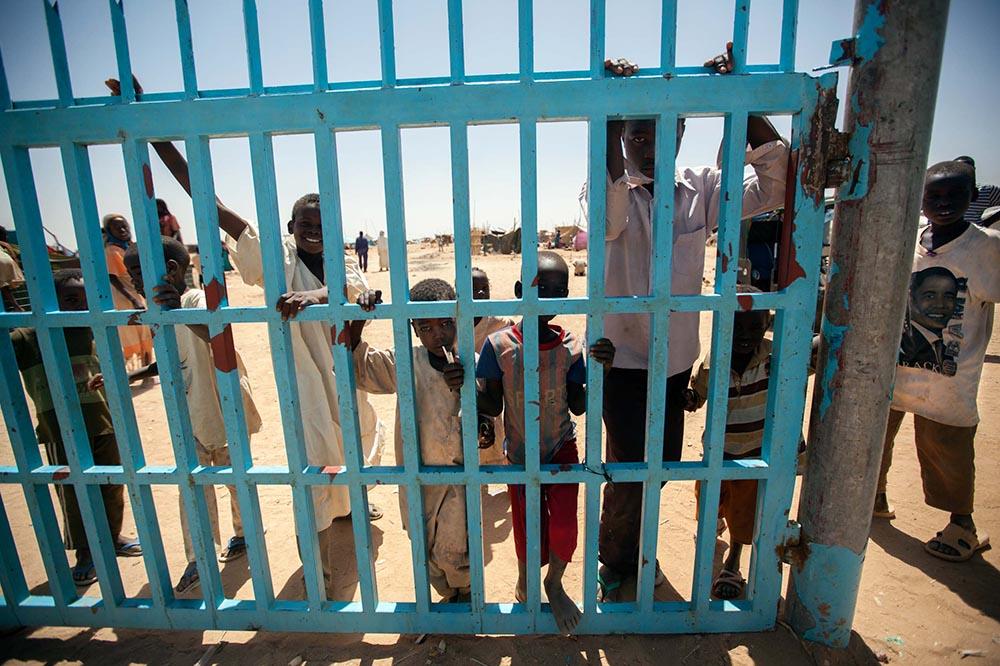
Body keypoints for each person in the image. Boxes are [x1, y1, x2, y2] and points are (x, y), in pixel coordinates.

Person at [110, 73, 387, 592]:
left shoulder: (344, 263)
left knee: (353, 454)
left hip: (345, 383)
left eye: (321, 224)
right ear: (290, 227)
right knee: (314, 474)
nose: (313, 231)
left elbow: (352, 297)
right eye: (305, 224)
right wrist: (158, 136)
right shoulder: (277, 258)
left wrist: (314, 298)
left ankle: (354, 505)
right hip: (303, 388)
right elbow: (211, 205)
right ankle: (321, 577)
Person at [596, 49, 789, 600]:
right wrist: (610, 108)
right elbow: (608, 220)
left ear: (681, 131)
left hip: (675, 359)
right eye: (636, 135)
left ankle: (638, 553)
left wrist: (739, 98)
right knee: (627, 469)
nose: (648, 146)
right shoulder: (604, 186)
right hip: (621, 361)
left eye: (660, 132)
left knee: (662, 466)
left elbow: (776, 186)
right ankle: (617, 565)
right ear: (622, 139)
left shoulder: (702, 187)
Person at [476, 251, 616, 634]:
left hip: (561, 447)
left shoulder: (571, 346)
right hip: (521, 453)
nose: (552, 297)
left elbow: (579, 405)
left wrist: (601, 372)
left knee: (566, 523)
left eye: (560, 290)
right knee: (527, 527)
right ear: (520, 290)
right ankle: (526, 576)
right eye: (543, 288)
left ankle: (553, 582)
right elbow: (491, 404)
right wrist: (467, 387)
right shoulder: (499, 345)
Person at [875, 160, 1000, 562]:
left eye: (954, 194)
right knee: (876, 439)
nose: (943, 202)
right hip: (896, 368)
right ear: (921, 197)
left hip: (949, 378)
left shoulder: (984, 248)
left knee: (947, 448)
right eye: (935, 195)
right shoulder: (909, 240)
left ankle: (962, 525)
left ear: (972, 196)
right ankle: (873, 497)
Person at [123, 237, 262, 593]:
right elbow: (170, 359)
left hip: (223, 410)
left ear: (171, 270)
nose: (134, 282)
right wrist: (130, 376)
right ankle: (199, 557)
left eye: (137, 273)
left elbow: (219, 336)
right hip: (191, 416)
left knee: (236, 481)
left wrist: (178, 313)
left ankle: (245, 534)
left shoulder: (194, 300)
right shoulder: (158, 310)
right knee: (193, 488)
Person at [341, 279, 471, 601]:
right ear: (414, 330)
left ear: (457, 320)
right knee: (423, 546)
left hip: (459, 480)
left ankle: (466, 596)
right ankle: (448, 597)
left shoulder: (473, 361)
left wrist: (468, 385)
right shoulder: (407, 363)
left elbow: (489, 412)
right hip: (416, 477)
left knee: (455, 549)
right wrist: (359, 317)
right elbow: (360, 366)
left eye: (445, 324)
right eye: (426, 328)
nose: (438, 335)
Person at [11, 269, 141, 585]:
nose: (80, 306)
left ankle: (111, 538)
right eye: (71, 300)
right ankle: (85, 552)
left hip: (104, 423)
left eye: (85, 299)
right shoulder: (30, 337)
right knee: (73, 493)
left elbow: (113, 370)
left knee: (112, 486)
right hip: (61, 430)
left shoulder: (96, 330)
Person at [682, 286, 809, 599]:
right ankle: (716, 523)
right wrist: (686, 398)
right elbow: (698, 396)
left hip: (754, 453)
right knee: (710, 500)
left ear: (767, 325)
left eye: (755, 327)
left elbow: (806, 365)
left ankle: (733, 563)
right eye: (737, 327)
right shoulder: (714, 360)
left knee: (743, 512)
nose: (745, 335)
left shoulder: (774, 358)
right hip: (718, 450)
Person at [471, 267, 515, 466]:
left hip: (490, 399)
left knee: (493, 458)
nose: (480, 293)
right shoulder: (450, 323)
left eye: (485, 288)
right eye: (473, 288)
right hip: (459, 398)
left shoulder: (500, 324)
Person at [103, 214, 155, 371]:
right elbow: (113, 277)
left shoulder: (130, 247)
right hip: (125, 296)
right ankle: (134, 370)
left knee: (145, 330)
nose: (122, 230)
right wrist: (133, 299)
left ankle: (146, 367)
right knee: (133, 332)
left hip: (137, 292)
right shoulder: (112, 250)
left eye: (124, 226)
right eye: (117, 228)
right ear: (110, 231)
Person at [953, 156, 1000, 226]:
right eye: (958, 169)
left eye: (967, 168)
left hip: (974, 232)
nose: (963, 172)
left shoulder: (986, 191)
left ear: (974, 170)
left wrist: (989, 221)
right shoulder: (944, 192)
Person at [0, 226, 24, 311]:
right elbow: (14, 256)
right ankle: (17, 306)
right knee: (4, 285)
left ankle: (16, 306)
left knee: (3, 285)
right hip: (8, 261)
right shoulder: (5, 244)